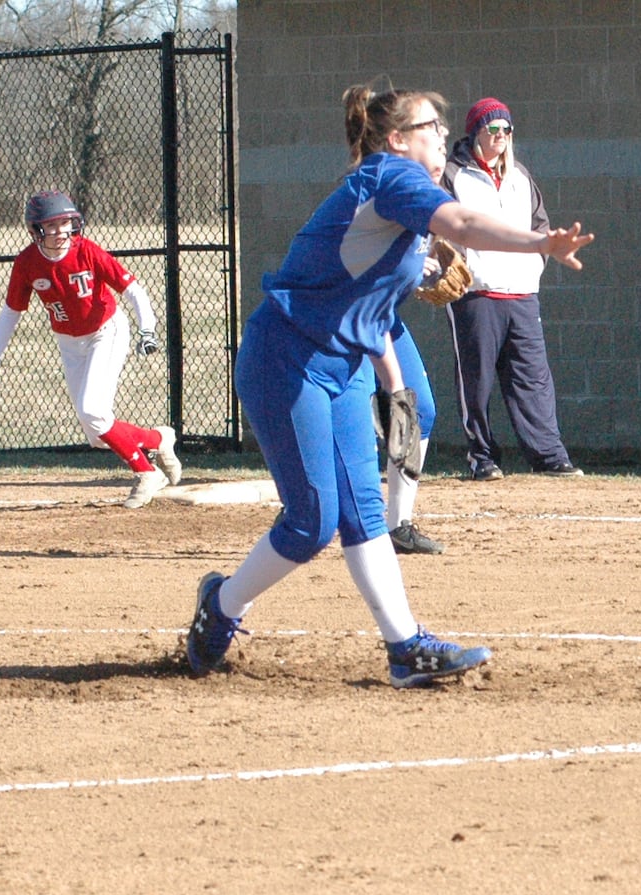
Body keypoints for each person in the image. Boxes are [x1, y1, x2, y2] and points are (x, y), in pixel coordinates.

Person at [184, 83, 593, 688]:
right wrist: (540, 241)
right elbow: (462, 221)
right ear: (398, 140)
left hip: (342, 365)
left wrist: (396, 389)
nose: (441, 135)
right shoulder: (390, 177)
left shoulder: (407, 205)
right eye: (431, 126)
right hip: (286, 358)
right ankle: (219, 606)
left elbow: (368, 311)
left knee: (364, 514)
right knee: (311, 522)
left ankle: (406, 649)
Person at [0, 191, 182, 509]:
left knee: (92, 412)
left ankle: (146, 472)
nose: (61, 231)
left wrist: (147, 329)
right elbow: (11, 312)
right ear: (35, 230)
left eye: (66, 223)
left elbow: (133, 290)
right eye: (51, 225)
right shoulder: (28, 263)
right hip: (69, 342)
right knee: (97, 435)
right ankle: (158, 439)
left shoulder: (87, 252)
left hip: (106, 331)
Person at [441, 97, 584, 480]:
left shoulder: (520, 176)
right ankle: (482, 456)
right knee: (476, 380)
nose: (501, 136)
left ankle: (548, 454)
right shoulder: (454, 174)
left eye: (506, 129)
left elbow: (540, 226)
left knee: (533, 378)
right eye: (492, 129)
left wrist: (532, 267)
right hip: (477, 294)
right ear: (475, 132)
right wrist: (462, 268)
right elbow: (445, 228)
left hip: (522, 293)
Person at [382, 320, 443, 554]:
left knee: (416, 411)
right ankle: (297, 509)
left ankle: (399, 527)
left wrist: (424, 280)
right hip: (329, 312)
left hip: (379, 315)